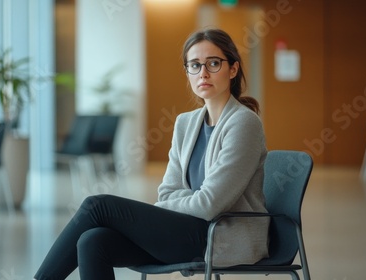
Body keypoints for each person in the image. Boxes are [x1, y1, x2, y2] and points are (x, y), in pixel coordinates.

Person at [33, 28, 269, 280]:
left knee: (97, 206)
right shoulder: (185, 123)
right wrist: (177, 203)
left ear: (232, 69)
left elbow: (209, 204)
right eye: (195, 65)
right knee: (92, 241)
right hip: (189, 230)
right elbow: (166, 192)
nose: (203, 73)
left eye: (213, 63)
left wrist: (170, 206)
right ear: (187, 72)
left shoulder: (244, 123)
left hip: (220, 236)